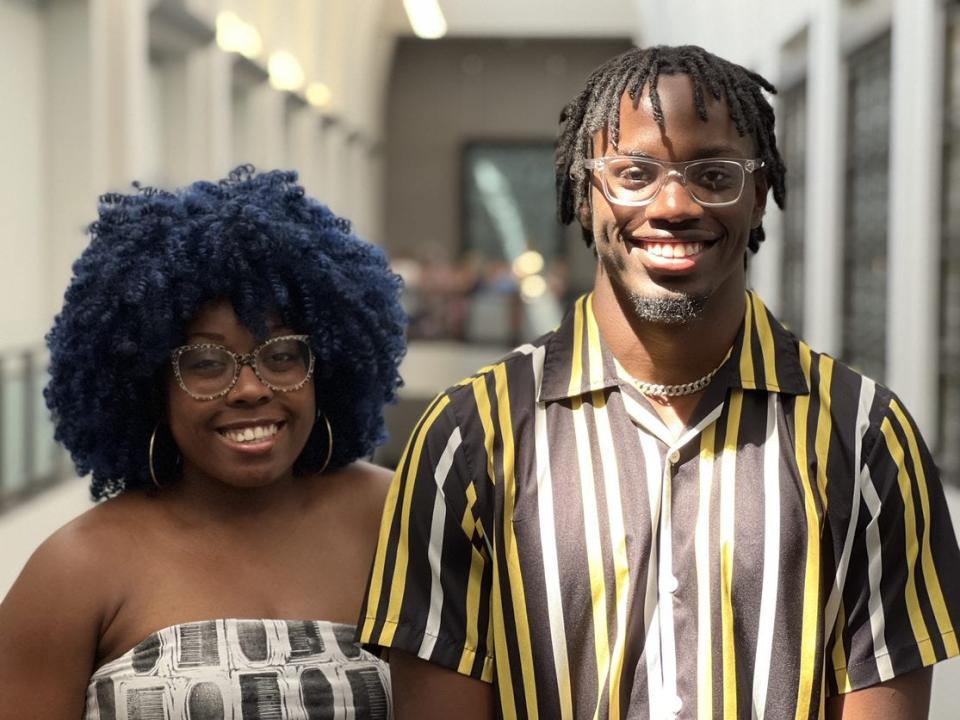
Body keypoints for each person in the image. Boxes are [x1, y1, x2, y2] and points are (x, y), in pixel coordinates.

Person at [357, 45, 960, 719]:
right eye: (634, 173)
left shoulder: (866, 435)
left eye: (712, 173)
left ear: (759, 196)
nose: (673, 204)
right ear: (586, 197)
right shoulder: (466, 440)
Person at [0, 167, 406, 719]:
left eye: (282, 355)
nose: (251, 388)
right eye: (206, 363)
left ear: (327, 368)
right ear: (148, 383)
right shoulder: (75, 571)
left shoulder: (402, 520)